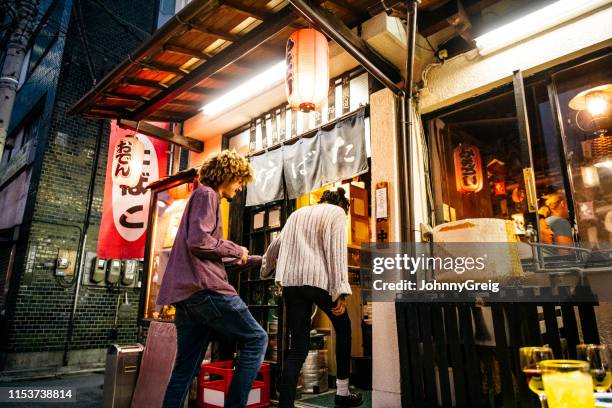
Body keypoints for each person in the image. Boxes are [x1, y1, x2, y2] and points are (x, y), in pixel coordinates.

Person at [157, 150, 267, 408]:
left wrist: (258, 260)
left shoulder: (199, 196)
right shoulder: (207, 194)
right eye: (239, 180)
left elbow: (208, 254)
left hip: (187, 297)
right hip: (206, 291)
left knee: (184, 370)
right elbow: (200, 242)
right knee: (257, 338)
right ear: (227, 175)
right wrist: (236, 249)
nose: (239, 188)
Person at [261, 188, 363, 408]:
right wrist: (340, 292)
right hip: (318, 282)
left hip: (291, 284)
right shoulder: (336, 214)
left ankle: (285, 404)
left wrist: (266, 269)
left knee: (298, 347)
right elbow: (336, 253)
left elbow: (275, 246)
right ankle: (342, 393)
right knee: (344, 328)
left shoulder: (297, 213)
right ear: (342, 206)